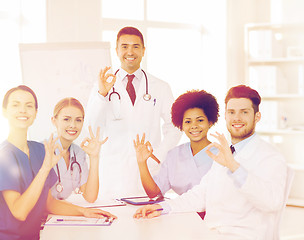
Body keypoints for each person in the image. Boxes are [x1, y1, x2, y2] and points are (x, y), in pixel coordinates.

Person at [134, 85, 288, 239]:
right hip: (209, 233)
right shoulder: (225, 154)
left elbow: (272, 202)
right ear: (225, 116)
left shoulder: (271, 157)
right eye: (231, 112)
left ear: (257, 117)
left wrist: (234, 167)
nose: (237, 118)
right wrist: (161, 207)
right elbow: (201, 194)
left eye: (244, 112)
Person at [0, 85, 115, 240]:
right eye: (16, 105)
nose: (23, 110)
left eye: (29, 106)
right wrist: (44, 169)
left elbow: (49, 203)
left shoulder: (40, 150)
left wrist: (83, 212)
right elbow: (19, 212)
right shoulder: (0, 157)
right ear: (4, 111)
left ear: (35, 113)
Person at [85, 26, 182, 197]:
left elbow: (174, 126)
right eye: (124, 46)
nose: (130, 51)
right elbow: (91, 126)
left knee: (147, 220)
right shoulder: (101, 86)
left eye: (136, 46)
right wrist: (102, 94)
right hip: (112, 176)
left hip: (146, 173)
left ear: (143, 50)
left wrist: (158, 156)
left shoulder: (160, 87)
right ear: (116, 50)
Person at [133, 90, 219, 219]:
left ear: (210, 122)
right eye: (188, 122)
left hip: (214, 219)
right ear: (181, 125)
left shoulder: (222, 155)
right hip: (181, 215)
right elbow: (153, 193)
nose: (194, 126)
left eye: (200, 120)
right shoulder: (174, 155)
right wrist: (141, 163)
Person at [50, 97, 107, 202]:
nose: (73, 125)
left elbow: (90, 197)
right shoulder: (42, 150)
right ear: (54, 121)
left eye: (78, 120)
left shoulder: (78, 153)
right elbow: (45, 202)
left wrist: (94, 157)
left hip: (65, 214)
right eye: (66, 119)